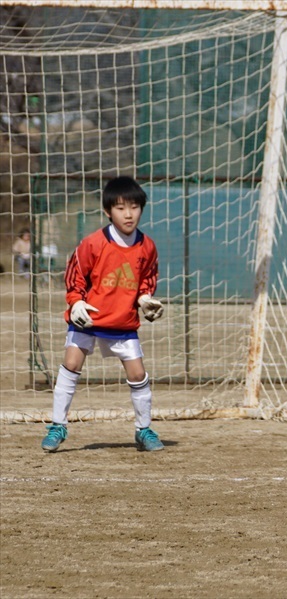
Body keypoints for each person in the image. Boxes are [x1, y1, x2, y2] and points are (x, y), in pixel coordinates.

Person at [41, 176, 166, 453]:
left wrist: (145, 299)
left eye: (134, 207)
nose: (129, 214)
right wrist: (75, 303)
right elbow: (75, 276)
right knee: (71, 363)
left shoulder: (147, 247)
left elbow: (147, 278)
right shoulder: (93, 243)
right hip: (88, 318)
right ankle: (57, 425)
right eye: (121, 208)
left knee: (138, 373)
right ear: (108, 211)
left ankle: (143, 429)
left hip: (122, 321)